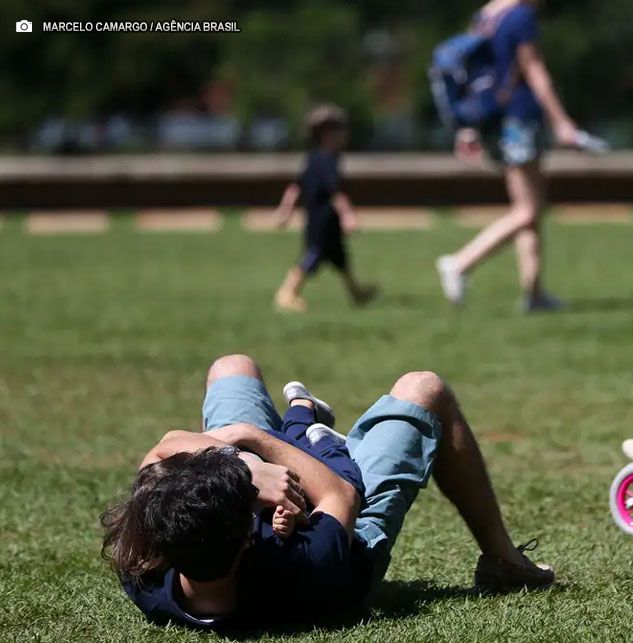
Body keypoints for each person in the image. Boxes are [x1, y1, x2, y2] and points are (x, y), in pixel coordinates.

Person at [101, 354, 553, 631]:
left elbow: (161, 449)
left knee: (232, 367)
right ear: (246, 538)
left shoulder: (145, 567)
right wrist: (253, 443)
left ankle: (293, 424)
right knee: (425, 388)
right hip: (346, 521)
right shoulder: (305, 567)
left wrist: (241, 466)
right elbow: (338, 494)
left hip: (237, 507)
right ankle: (505, 563)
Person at [435, 0, 579, 312]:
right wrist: (561, 121)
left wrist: (467, 128)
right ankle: (460, 263)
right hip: (519, 118)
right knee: (527, 211)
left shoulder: (487, 14)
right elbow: (534, 68)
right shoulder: (521, 16)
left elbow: (471, 75)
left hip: (495, 121)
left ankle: (534, 293)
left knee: (529, 207)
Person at [274, 104, 378, 312]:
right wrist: (348, 215)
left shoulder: (315, 158)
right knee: (312, 256)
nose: (345, 135)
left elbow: (295, 187)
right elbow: (335, 192)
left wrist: (285, 210)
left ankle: (357, 293)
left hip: (326, 221)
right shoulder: (327, 161)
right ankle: (286, 293)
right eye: (341, 131)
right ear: (327, 135)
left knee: (341, 259)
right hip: (321, 220)